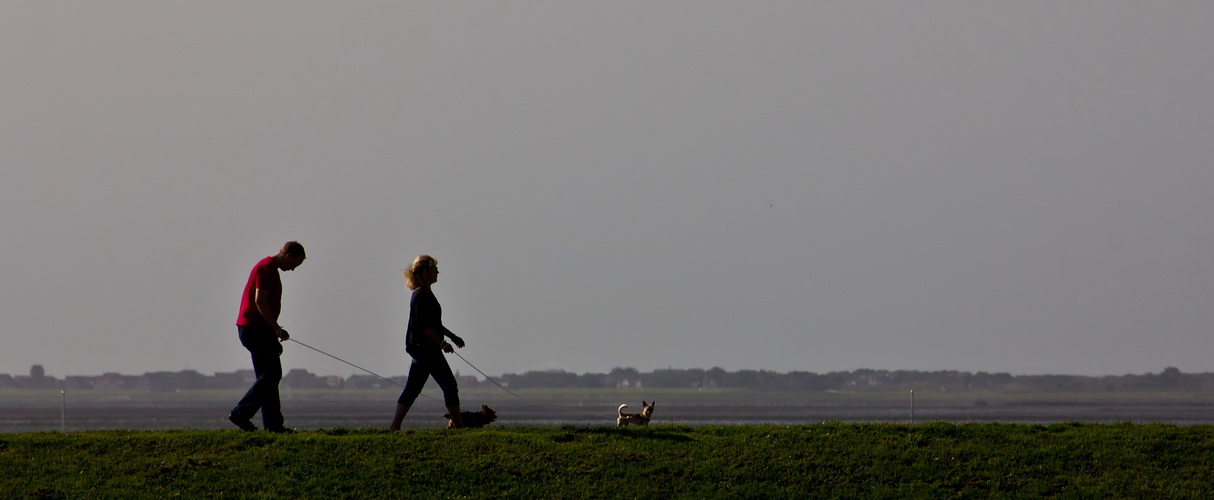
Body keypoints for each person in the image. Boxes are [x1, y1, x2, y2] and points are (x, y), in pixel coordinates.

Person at [228, 241, 306, 432]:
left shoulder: (270, 268)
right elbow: (260, 301)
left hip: (259, 329)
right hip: (254, 328)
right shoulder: (267, 268)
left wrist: (273, 332)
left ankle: (273, 425)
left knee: (268, 376)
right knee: (272, 374)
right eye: (295, 264)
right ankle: (241, 412)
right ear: (288, 256)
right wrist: (276, 329)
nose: (293, 269)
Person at [389, 255, 467, 429]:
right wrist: (442, 343)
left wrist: (452, 337)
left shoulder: (425, 294)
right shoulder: (421, 296)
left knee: (413, 389)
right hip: (425, 348)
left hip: (422, 349)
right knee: (449, 385)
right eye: (434, 270)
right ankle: (459, 426)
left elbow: (435, 324)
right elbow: (425, 327)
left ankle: (394, 427)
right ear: (424, 273)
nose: (437, 273)